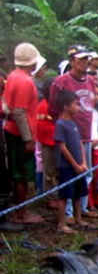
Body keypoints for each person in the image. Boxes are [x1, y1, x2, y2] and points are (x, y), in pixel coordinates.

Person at [49, 44, 98, 218]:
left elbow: (93, 102)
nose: (85, 63)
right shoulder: (61, 82)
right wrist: (64, 125)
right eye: (81, 59)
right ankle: (68, 213)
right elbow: (53, 108)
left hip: (85, 131)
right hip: (67, 132)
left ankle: (82, 209)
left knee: (86, 172)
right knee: (69, 173)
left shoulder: (91, 81)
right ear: (72, 61)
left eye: (87, 59)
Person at [3, 42, 44, 224]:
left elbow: (6, 103)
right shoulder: (25, 81)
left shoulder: (12, 76)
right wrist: (28, 139)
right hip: (20, 133)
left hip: (11, 129)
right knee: (21, 173)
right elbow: (19, 112)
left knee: (16, 170)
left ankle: (18, 209)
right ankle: (21, 212)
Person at [53, 90, 89, 234]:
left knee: (78, 192)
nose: (78, 107)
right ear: (65, 106)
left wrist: (84, 162)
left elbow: (80, 143)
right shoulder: (60, 124)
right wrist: (74, 164)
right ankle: (62, 224)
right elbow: (62, 147)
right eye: (75, 104)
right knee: (64, 194)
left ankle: (78, 218)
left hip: (79, 166)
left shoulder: (73, 124)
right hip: (66, 166)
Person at [36, 77, 58, 210]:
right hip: (48, 142)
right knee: (49, 172)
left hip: (58, 142)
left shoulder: (58, 105)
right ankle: (49, 197)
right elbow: (42, 126)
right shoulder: (43, 105)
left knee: (57, 171)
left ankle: (56, 195)